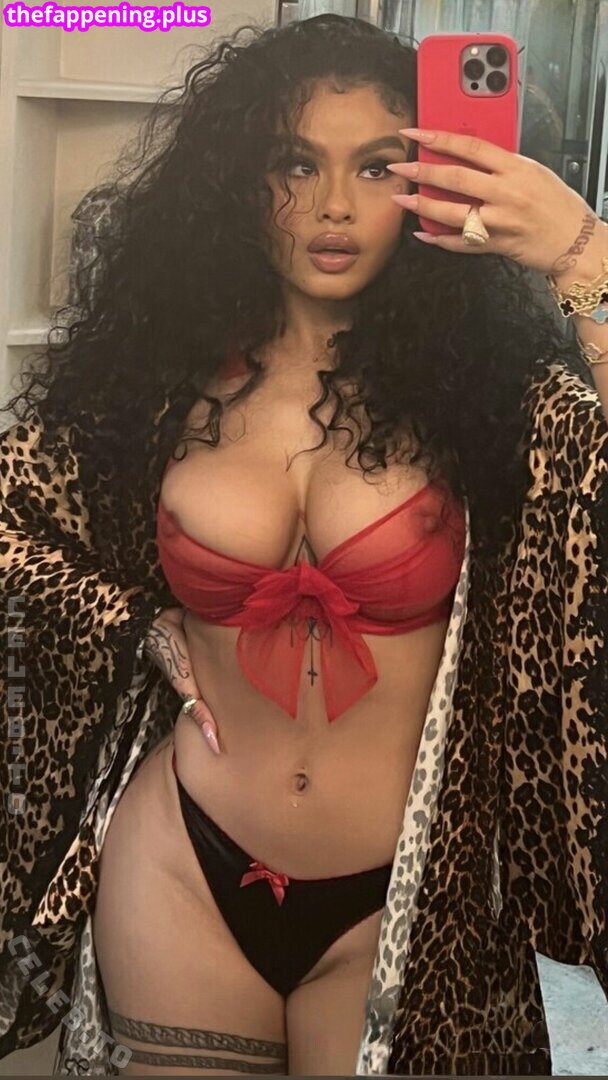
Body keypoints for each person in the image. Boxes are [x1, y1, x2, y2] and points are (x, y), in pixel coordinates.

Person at [1, 13, 607, 1077]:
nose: (333, 206)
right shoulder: (156, 387)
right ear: (240, 184)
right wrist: (129, 618)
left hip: (402, 893)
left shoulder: (491, 401)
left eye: (376, 168)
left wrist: (580, 250)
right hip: (181, 865)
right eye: (294, 163)